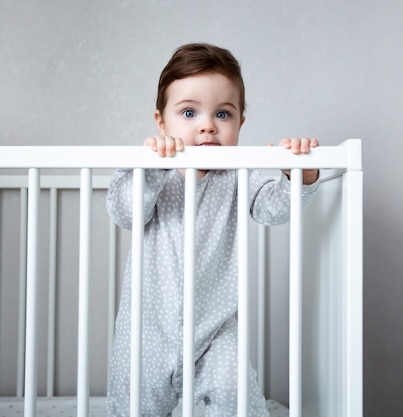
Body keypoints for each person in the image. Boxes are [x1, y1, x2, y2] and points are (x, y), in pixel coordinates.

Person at [106, 43, 319, 417]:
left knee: (235, 393)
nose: (207, 125)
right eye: (189, 112)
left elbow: (272, 209)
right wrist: (152, 168)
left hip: (215, 329)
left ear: (240, 124)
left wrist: (298, 174)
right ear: (161, 122)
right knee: (133, 407)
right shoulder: (147, 171)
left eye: (223, 113)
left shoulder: (238, 176)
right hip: (145, 332)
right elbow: (125, 212)